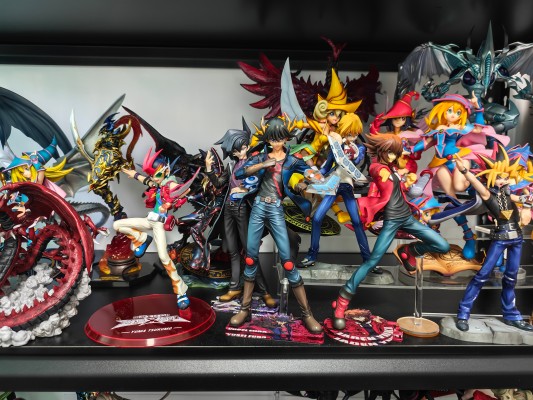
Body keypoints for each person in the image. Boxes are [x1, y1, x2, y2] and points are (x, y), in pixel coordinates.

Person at [331, 134, 450, 330]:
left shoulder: (393, 170)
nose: (393, 157)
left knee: (442, 245)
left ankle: (410, 251)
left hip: (408, 217)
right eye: (389, 153)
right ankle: (342, 301)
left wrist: (407, 181)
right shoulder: (378, 168)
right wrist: (384, 172)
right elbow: (376, 172)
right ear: (381, 151)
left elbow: (400, 189)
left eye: (395, 153)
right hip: (391, 220)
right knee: (372, 261)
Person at [231, 116, 322, 333]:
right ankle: (245, 309)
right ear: (268, 139)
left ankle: (307, 314)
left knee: (288, 262)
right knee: (251, 258)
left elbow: (312, 172)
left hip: (276, 209)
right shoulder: (260, 156)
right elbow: (239, 172)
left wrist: (308, 179)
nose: (276, 142)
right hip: (258, 207)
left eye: (279, 138)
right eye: (272, 138)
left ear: (286, 138)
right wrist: (263, 164)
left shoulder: (292, 160)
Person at [454, 147, 533, 332]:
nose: (502, 180)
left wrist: (527, 199)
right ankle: (463, 313)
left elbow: (520, 198)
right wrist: (464, 171)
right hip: (500, 238)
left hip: (516, 238)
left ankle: (511, 315)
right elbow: (476, 183)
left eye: (505, 176)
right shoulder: (489, 195)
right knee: (482, 276)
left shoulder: (508, 192)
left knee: (511, 278)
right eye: (498, 177)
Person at [205, 123, 276, 307]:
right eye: (236, 151)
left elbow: (261, 183)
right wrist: (209, 169)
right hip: (228, 210)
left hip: (243, 209)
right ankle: (234, 287)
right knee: (233, 251)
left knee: (250, 253)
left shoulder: (254, 162)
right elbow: (219, 183)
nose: (239, 152)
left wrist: (245, 190)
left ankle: (265, 291)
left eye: (242, 148)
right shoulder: (231, 165)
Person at [114, 148, 191, 309]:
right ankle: (142, 239)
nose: (153, 179)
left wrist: (169, 204)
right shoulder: (158, 183)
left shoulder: (170, 184)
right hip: (149, 220)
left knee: (164, 257)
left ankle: (181, 291)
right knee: (117, 225)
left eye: (156, 175)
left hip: (158, 224)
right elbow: (146, 180)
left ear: (166, 171)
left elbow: (185, 191)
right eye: (152, 175)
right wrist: (132, 173)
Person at [298, 113, 370, 268]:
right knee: (317, 218)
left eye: (355, 134)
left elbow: (356, 160)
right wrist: (308, 179)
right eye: (349, 134)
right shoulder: (335, 146)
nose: (352, 137)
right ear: (343, 131)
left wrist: (349, 149)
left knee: (357, 222)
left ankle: (368, 260)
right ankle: (311, 255)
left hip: (347, 186)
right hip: (334, 184)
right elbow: (325, 169)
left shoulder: (358, 148)